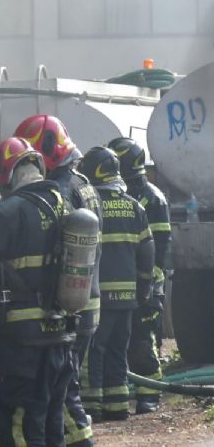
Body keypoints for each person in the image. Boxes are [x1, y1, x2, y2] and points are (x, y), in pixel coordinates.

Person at [0, 137, 75, 447]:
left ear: (7, 171)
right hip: (60, 335)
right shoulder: (63, 204)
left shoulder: (12, 210)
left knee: (17, 424)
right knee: (50, 422)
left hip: (21, 339)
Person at [15, 115, 98, 447]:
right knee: (65, 383)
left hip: (71, 304)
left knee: (61, 390)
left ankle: (81, 443)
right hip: (87, 298)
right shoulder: (83, 183)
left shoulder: (62, 189)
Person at [77, 146, 154, 422]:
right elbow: (148, 250)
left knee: (94, 351)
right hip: (128, 297)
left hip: (98, 296)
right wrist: (145, 286)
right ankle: (118, 404)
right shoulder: (135, 206)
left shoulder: (90, 205)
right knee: (118, 351)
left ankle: (93, 406)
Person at [108, 137, 171, 414]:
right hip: (122, 281)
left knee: (143, 340)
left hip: (145, 283)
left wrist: (149, 281)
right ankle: (122, 390)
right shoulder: (121, 195)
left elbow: (159, 246)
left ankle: (150, 394)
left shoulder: (152, 198)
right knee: (118, 339)